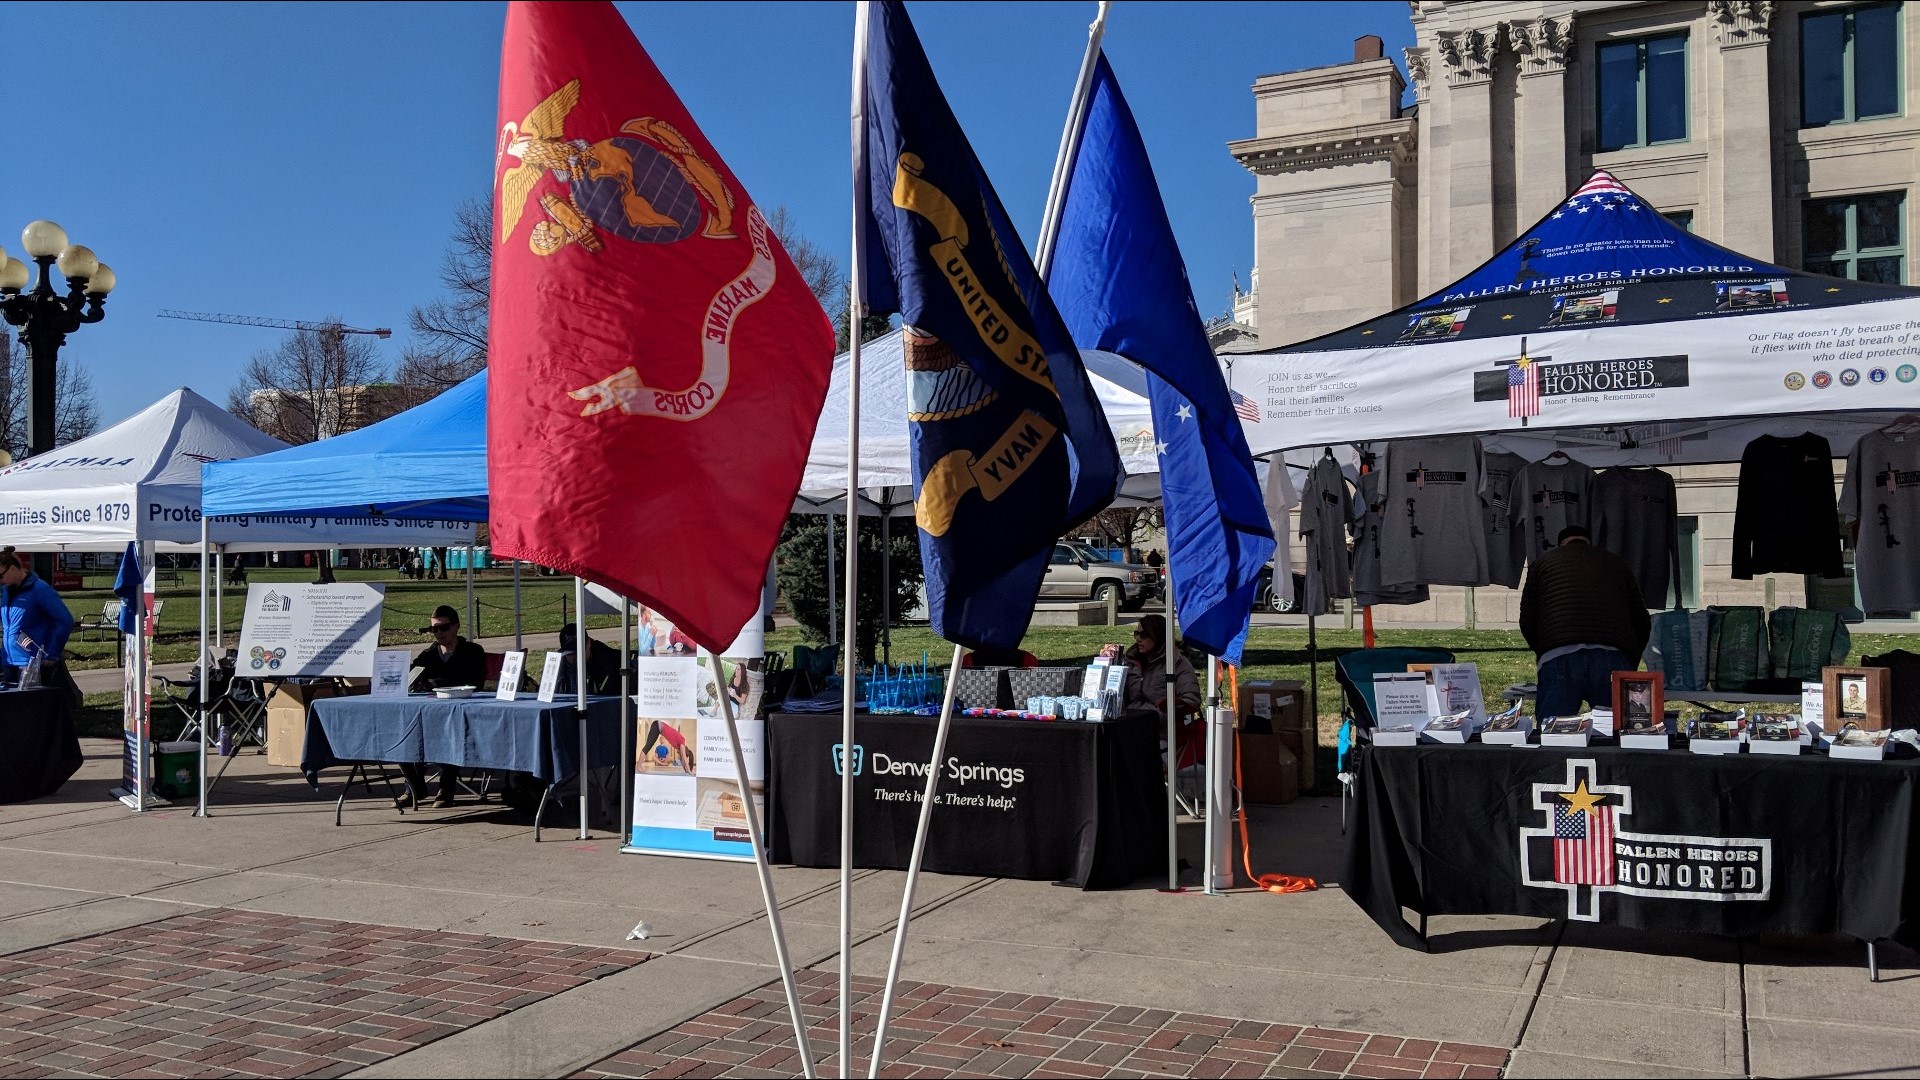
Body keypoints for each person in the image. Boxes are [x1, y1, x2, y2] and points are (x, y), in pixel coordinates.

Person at [1519, 525, 1651, 719]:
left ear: (1561, 545)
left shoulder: (1541, 564)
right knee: (1617, 732)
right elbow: (1641, 620)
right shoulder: (1617, 563)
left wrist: (1545, 650)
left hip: (1559, 655)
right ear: (1589, 542)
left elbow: (1527, 620)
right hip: (1613, 655)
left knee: (1553, 733)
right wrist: (1630, 660)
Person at [403, 605, 489, 807]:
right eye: (434, 629)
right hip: (431, 711)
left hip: (462, 711)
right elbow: (411, 678)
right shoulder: (428, 655)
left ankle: (446, 785)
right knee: (404, 732)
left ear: (456, 627)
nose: (439, 633)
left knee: (451, 731)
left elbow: (477, 683)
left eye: (444, 627)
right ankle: (414, 787)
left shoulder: (472, 651)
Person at [0, 547, 76, 702]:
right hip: (9, 661)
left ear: (13, 569)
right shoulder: (6, 591)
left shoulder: (40, 590)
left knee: (31, 709)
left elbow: (65, 620)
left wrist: (52, 652)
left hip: (31, 664)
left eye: (0, 576)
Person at [1122, 614, 1201, 718]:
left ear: (1157, 636)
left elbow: (1191, 699)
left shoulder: (1177, 662)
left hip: (1164, 728)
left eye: (1144, 635)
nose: (1138, 639)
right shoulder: (1131, 661)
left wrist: (1161, 712)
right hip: (1130, 725)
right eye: (1136, 634)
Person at [556, 623, 621, 694]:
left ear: (589, 643)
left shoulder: (608, 662)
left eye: (579, 651)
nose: (576, 657)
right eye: (570, 653)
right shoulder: (557, 665)